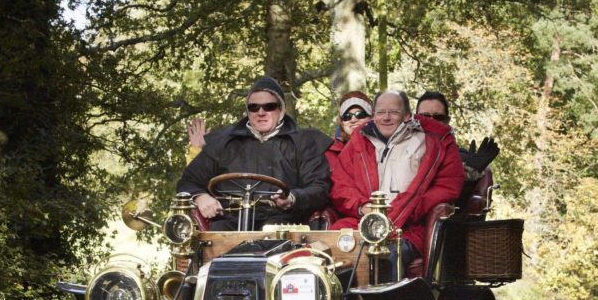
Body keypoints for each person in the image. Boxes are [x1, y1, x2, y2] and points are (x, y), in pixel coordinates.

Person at [329, 89, 464, 274]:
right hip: (363, 222)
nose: (386, 118)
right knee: (330, 247)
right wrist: (362, 207)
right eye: (380, 112)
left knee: (388, 257)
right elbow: (341, 184)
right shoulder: (359, 140)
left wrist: (409, 210)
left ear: (407, 115)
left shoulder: (432, 140)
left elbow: (448, 186)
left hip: (409, 227)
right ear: (373, 115)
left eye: (393, 112)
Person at [177, 77, 332, 230]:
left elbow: (320, 188)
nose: (261, 112)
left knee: (277, 235)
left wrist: (292, 198)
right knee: (207, 242)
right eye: (254, 107)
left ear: (281, 109)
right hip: (229, 222)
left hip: (283, 224)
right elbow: (188, 181)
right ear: (247, 111)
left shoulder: (303, 142)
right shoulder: (224, 142)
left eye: (269, 106)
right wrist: (200, 197)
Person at [415, 91, 499, 175]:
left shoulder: (463, 160)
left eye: (438, 117)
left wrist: (471, 171)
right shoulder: (402, 150)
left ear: (447, 121)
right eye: (424, 116)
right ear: (415, 119)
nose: (431, 121)